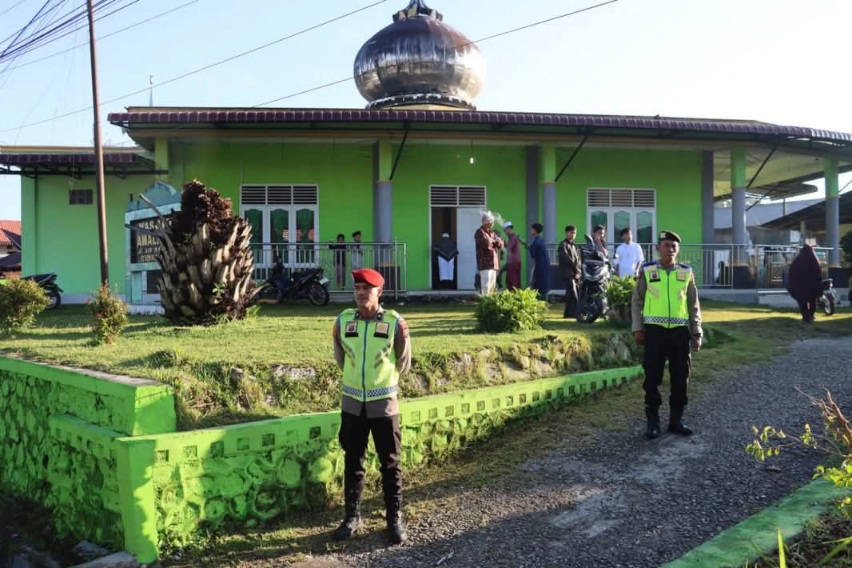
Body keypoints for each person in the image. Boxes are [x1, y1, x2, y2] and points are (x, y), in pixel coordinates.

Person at [331, 268, 412, 544]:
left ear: (379, 292)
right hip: (353, 405)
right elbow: (340, 359)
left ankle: (394, 519)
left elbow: (404, 360)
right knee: (353, 461)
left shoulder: (394, 322)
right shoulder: (342, 321)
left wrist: (383, 384)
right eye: (357, 289)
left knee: (390, 464)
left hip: (383, 405)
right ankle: (352, 517)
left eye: (367, 288)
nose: (361, 293)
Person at [631, 230, 702, 440]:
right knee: (652, 378)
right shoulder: (648, 270)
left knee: (681, 377)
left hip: (680, 333)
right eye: (666, 245)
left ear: (678, 250)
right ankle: (652, 422)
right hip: (654, 332)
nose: (670, 249)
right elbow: (637, 301)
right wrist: (638, 328)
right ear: (657, 248)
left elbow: (693, 304)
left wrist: (696, 331)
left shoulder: (686, 272)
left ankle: (676, 420)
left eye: (674, 246)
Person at [785, 244, 822, 323]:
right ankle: (811, 315)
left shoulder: (797, 261)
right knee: (812, 301)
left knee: (802, 302)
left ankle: (806, 317)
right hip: (811, 286)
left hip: (799, 286)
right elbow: (818, 272)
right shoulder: (814, 260)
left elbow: (792, 273)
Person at [474, 211, 504, 295]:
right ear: (485, 222)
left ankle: (489, 306)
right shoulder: (479, 232)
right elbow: (486, 245)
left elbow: (501, 243)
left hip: (493, 264)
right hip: (485, 265)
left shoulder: (492, 233)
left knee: (492, 288)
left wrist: (496, 242)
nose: (492, 223)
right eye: (490, 221)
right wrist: (495, 242)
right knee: (486, 288)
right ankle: (485, 305)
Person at [558, 224, 581, 318]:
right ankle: (575, 313)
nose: (573, 234)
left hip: (574, 273)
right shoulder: (563, 245)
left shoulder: (575, 246)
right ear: (566, 233)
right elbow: (566, 259)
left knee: (571, 294)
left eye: (575, 233)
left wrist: (579, 271)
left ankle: (568, 313)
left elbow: (578, 260)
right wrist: (576, 269)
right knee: (573, 293)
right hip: (567, 273)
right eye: (571, 232)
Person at [528, 222, 550, 300]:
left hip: (540, 266)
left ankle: (540, 302)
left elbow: (533, 254)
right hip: (544, 266)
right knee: (543, 284)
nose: (531, 231)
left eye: (532, 229)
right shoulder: (541, 240)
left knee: (538, 285)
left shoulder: (536, 241)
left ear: (535, 230)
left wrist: (530, 247)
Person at [499, 221, 523, 291]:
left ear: (509, 229)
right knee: (511, 280)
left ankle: (514, 296)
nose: (505, 232)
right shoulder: (512, 237)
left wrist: (502, 243)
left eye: (505, 230)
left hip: (513, 262)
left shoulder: (513, 237)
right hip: (513, 262)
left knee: (513, 281)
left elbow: (509, 247)